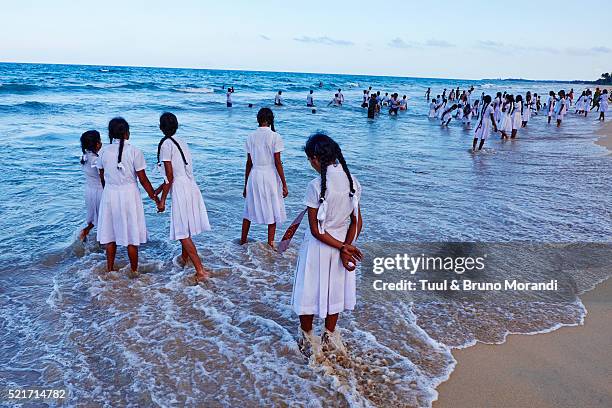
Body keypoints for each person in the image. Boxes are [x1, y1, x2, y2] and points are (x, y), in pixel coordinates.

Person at [292, 133, 363, 357]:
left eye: (309, 160)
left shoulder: (315, 186)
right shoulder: (352, 180)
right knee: (335, 292)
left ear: (315, 159)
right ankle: (330, 335)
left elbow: (316, 230)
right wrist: (346, 246)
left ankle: (307, 336)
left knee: (308, 292)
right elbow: (357, 221)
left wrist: (343, 248)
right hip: (343, 242)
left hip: (319, 247)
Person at [96, 118, 158, 274]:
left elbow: (102, 175)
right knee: (131, 236)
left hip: (110, 194)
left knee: (110, 235)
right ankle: (134, 271)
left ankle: (110, 270)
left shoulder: (103, 151)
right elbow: (143, 179)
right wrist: (155, 198)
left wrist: (107, 191)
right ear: (127, 133)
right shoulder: (135, 152)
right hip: (130, 196)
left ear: (110, 134)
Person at [154, 112, 211, 282]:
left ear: (160, 128)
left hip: (180, 188)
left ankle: (200, 270)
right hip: (190, 185)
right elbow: (177, 172)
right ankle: (185, 258)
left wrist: (162, 199)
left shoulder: (165, 145)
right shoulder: (181, 141)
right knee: (185, 227)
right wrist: (158, 190)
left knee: (181, 232)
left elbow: (170, 176)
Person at [241, 108, 288, 247]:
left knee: (249, 209)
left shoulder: (250, 136)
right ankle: (271, 243)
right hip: (269, 175)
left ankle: (242, 241)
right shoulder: (275, 136)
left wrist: (245, 185)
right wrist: (284, 184)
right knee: (272, 209)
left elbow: (249, 163)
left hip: (254, 175)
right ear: (270, 120)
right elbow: (277, 162)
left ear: (258, 119)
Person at [78, 130, 103, 241]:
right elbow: (103, 179)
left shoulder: (84, 157)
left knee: (94, 218)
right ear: (97, 144)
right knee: (104, 218)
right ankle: (105, 242)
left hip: (89, 191)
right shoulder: (96, 160)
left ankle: (85, 232)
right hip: (100, 192)